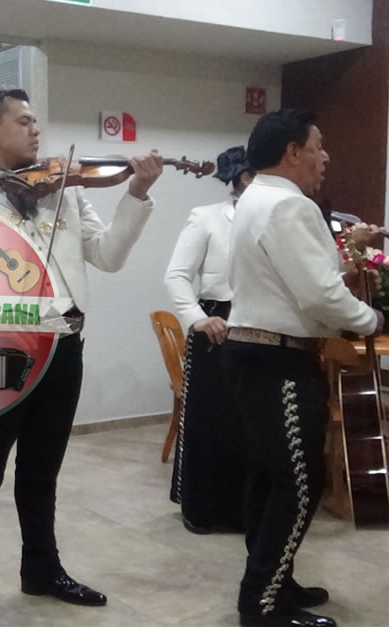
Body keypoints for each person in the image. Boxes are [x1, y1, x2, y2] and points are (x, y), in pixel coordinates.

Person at [0, 88, 163, 627]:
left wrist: (136, 192)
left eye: (36, 121)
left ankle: (41, 570)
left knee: (42, 472)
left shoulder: (64, 189)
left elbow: (108, 256)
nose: (36, 130)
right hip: (3, 350)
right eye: (23, 122)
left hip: (66, 348)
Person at [223, 108, 383, 627]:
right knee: (296, 482)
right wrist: (370, 318)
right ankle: (262, 603)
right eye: (318, 145)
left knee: (270, 478)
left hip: (257, 352)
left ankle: (277, 582)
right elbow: (317, 294)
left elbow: (303, 275)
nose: (325, 156)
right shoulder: (290, 205)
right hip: (280, 357)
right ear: (292, 151)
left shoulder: (255, 197)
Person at [163, 145, 253, 535]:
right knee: (211, 420)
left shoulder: (279, 218)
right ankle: (203, 509)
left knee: (252, 421)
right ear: (242, 179)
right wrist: (198, 319)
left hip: (260, 321)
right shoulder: (207, 218)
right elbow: (176, 275)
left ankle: (249, 509)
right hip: (217, 319)